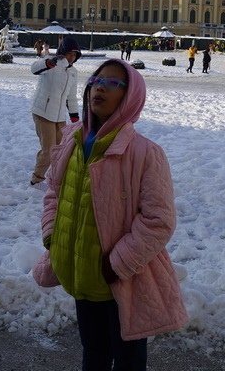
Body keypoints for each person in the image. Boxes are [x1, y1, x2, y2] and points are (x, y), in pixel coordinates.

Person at [32, 59, 188, 370]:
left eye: (114, 83)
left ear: (130, 99)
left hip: (121, 280)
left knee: (129, 360)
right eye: (97, 80)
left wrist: (117, 263)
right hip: (80, 272)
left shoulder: (145, 153)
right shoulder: (71, 141)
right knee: (94, 353)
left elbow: (159, 221)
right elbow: (55, 192)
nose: (100, 87)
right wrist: (52, 235)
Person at [29, 36, 81, 186]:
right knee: (50, 149)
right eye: (69, 53)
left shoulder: (73, 72)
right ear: (63, 52)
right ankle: (37, 179)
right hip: (43, 113)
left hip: (59, 116)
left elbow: (71, 96)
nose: (72, 57)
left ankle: (56, 176)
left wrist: (74, 116)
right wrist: (48, 63)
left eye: (75, 54)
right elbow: (34, 68)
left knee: (60, 149)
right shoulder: (51, 64)